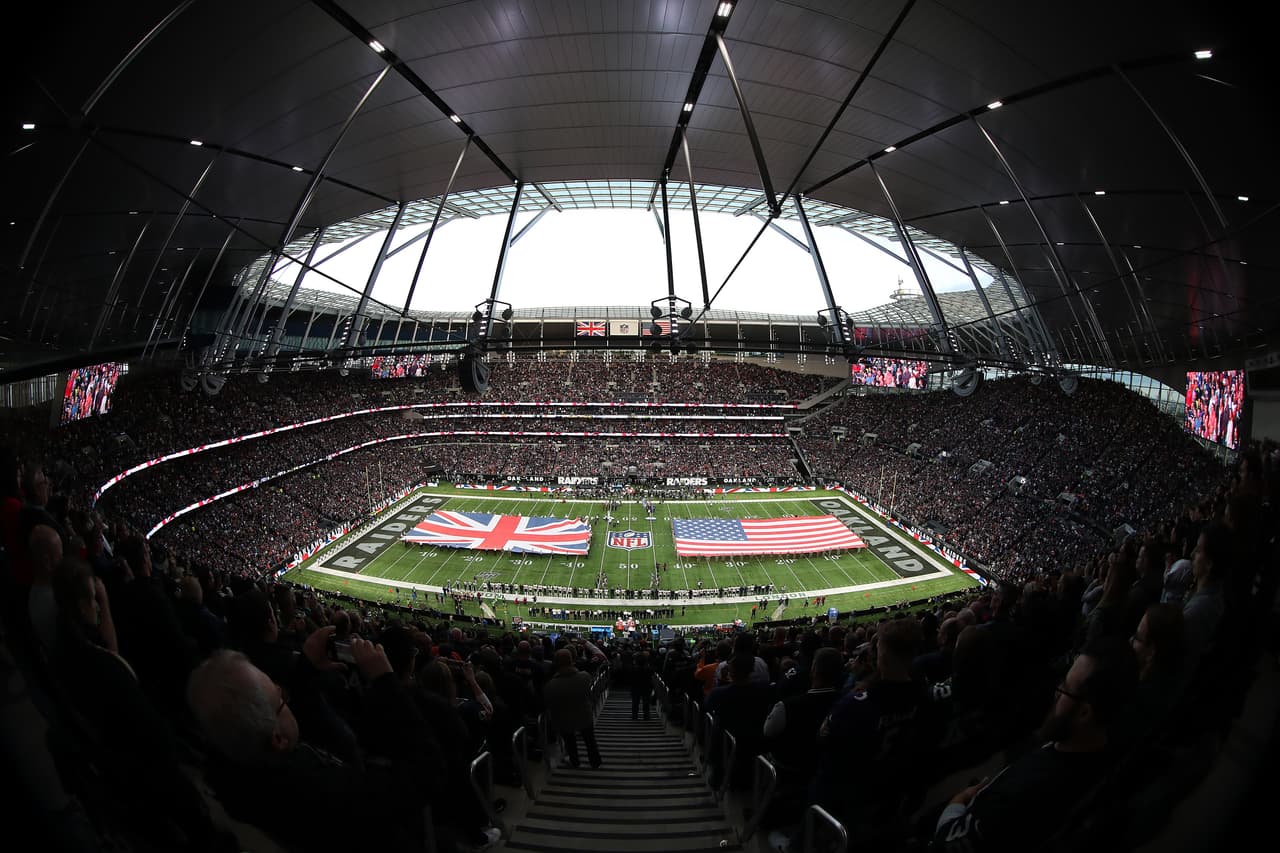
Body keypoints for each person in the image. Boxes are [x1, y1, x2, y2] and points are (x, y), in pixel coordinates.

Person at [187, 626, 448, 851]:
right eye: (280, 700)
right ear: (278, 739)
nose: (287, 698)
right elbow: (427, 771)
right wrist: (386, 683)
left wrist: (306, 669)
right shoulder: (323, 794)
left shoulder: (236, 768)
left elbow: (297, 720)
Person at [932, 638, 1139, 852]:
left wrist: (957, 800)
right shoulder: (1107, 750)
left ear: (1085, 713)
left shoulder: (1022, 795)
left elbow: (945, 843)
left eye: (1065, 688)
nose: (1057, 693)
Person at [542, 648, 602, 768]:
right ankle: (595, 761)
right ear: (572, 660)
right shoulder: (585, 677)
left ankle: (574, 761)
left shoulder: (551, 685)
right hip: (584, 715)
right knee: (590, 740)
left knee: (570, 742)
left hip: (564, 719)